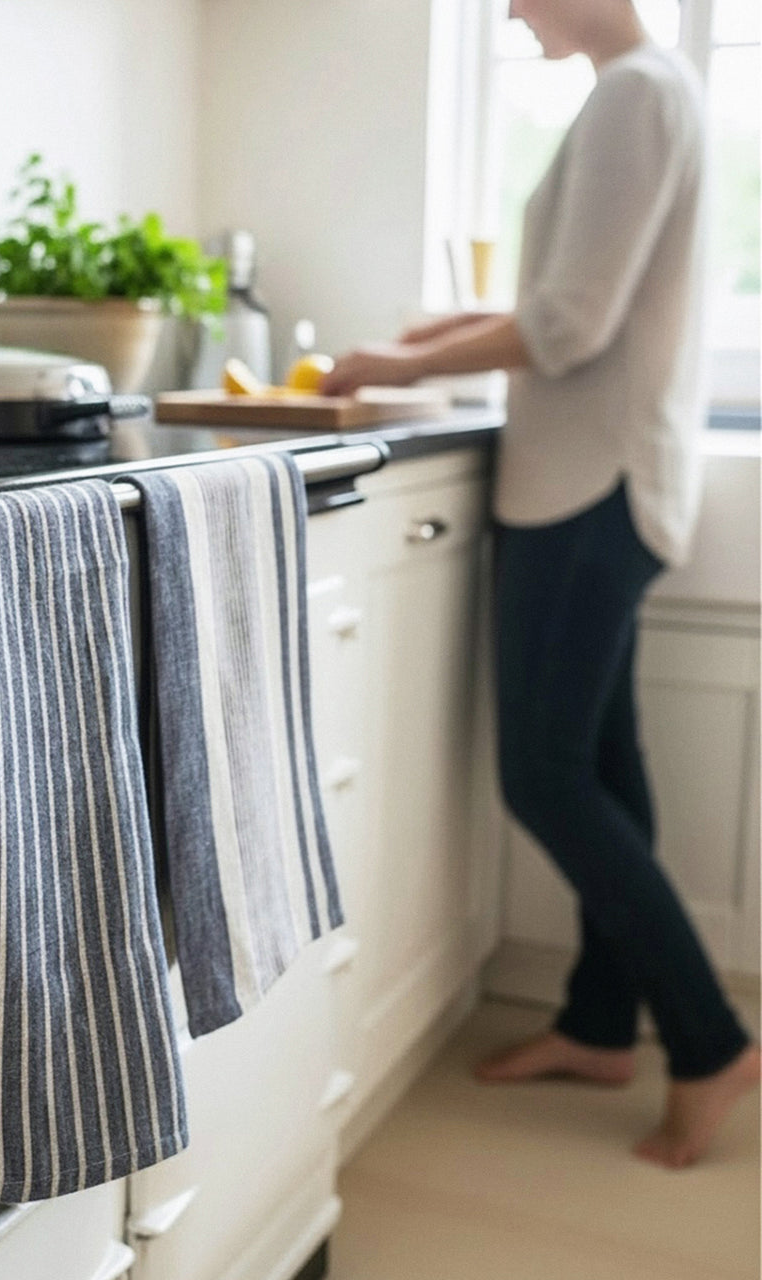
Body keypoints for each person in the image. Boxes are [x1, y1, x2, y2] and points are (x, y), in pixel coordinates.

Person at [322, 0, 759, 1169]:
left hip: (585, 487)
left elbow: (566, 325)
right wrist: (449, 325)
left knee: (547, 775)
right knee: (604, 765)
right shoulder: (653, 90)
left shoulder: (632, 96)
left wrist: (400, 362)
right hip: (610, 481)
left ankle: (710, 1040)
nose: (508, 9)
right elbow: (576, 299)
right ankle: (600, 1026)